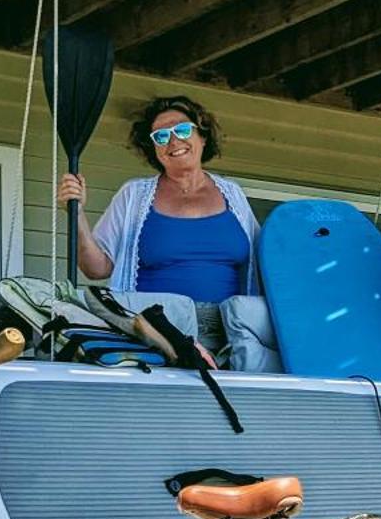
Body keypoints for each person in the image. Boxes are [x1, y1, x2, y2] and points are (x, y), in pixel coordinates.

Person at [58, 95, 260, 353]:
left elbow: (263, 263)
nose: (174, 140)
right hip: (158, 332)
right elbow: (96, 268)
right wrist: (76, 214)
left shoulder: (234, 195)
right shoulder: (134, 195)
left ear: (203, 136)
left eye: (183, 129)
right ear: (153, 149)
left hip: (231, 333)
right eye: (161, 136)